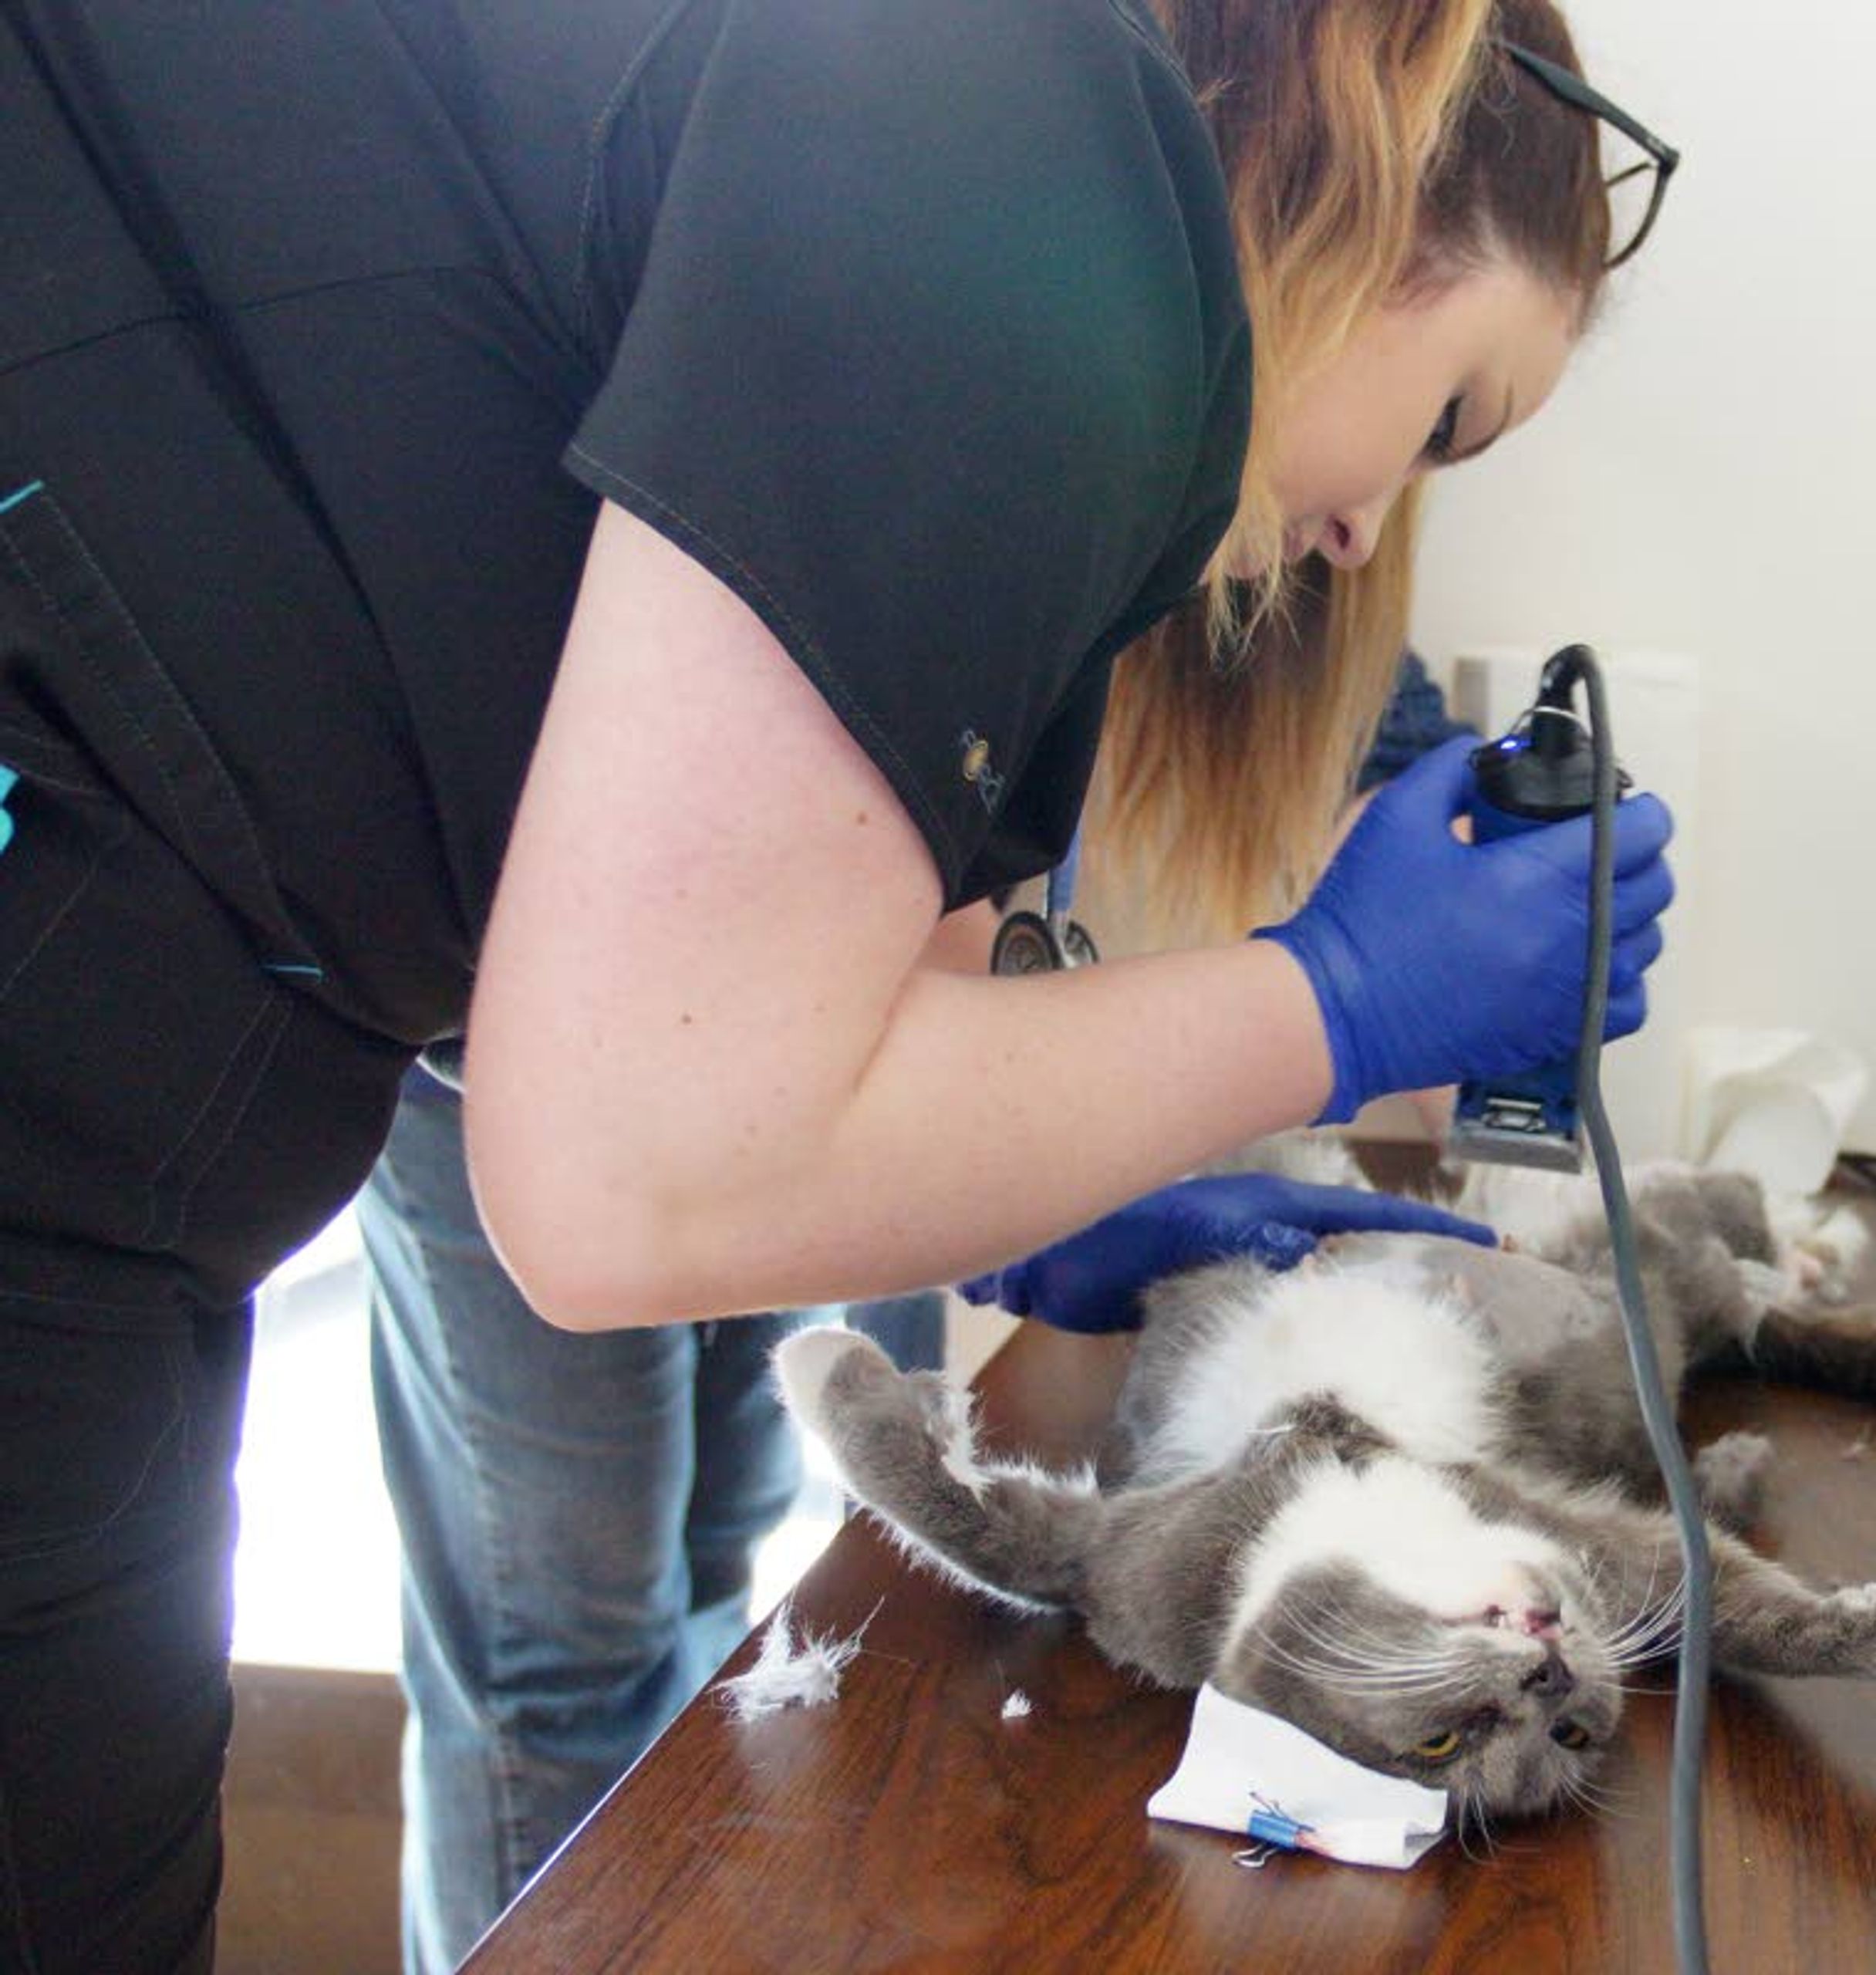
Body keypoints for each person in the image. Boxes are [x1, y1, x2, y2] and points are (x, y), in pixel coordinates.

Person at [0, 1, 1679, 1967]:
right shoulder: (1008, 139)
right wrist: (1339, 993)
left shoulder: (937, 249)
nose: (1375, 526)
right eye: (1454, 415)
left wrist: (1062, 1171)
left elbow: (827, 1010)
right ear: (1364, 170)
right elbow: (631, 1175)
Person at [366, 655, 1471, 1973]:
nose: (1356, 531)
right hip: (523, 1018)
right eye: (1446, 428)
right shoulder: (1039, 480)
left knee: (720, 1550)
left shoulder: (1249, 573)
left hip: (786, 1017)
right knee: (556, 1647)